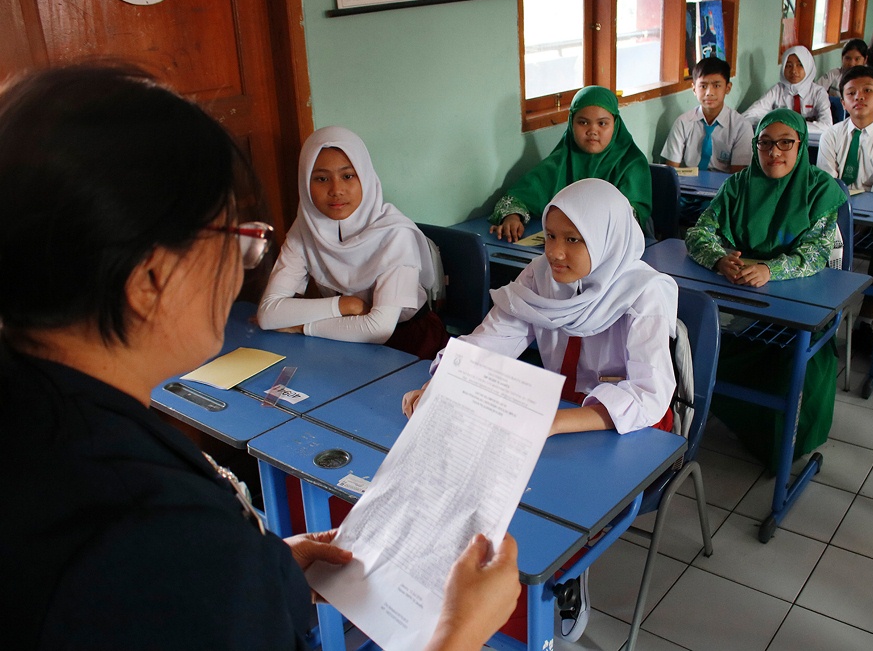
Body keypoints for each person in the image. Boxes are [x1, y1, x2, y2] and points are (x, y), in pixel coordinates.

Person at [0, 64, 520, 651]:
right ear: (149, 278)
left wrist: (267, 571)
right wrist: (457, 634)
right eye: (233, 237)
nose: (245, 261)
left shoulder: (46, 428)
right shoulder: (152, 534)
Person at [405, 179, 678, 642]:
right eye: (550, 236)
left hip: (627, 425)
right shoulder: (540, 278)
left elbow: (650, 395)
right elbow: (491, 340)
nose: (555, 252)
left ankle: (567, 576)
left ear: (606, 240)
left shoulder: (645, 291)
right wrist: (443, 380)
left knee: (558, 501)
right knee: (492, 476)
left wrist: (553, 422)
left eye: (574, 240)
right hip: (557, 408)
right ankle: (485, 579)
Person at [686, 109, 846, 469]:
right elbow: (698, 232)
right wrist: (719, 260)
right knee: (691, 339)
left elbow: (815, 254)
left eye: (785, 143)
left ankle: (782, 448)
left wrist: (768, 269)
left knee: (791, 367)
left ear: (801, 145)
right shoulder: (739, 185)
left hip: (797, 304)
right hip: (740, 295)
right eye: (765, 143)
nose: (775, 152)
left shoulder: (820, 190)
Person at [257, 126, 447, 360]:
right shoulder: (305, 229)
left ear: (365, 178)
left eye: (348, 176)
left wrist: (301, 327)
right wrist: (346, 305)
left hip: (409, 346)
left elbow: (379, 328)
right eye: (321, 179)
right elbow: (268, 314)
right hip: (342, 339)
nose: (336, 190)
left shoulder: (395, 234)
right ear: (305, 184)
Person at [816, 65, 873, 348]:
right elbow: (827, 185)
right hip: (834, 215)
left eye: (867, 91)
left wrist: (849, 214)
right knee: (810, 239)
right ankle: (821, 310)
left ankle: (865, 321)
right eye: (851, 93)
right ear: (842, 101)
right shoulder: (831, 135)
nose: (859, 97)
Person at [488, 86, 652, 242]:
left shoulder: (631, 164)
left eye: (602, 123)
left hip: (615, 252)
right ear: (571, 123)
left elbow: (630, 217)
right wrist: (512, 218)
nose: (592, 130)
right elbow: (516, 198)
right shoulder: (559, 162)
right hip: (562, 253)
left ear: (615, 124)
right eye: (583, 122)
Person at [660, 56, 754, 224]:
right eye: (703, 86)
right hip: (686, 192)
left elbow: (736, 178)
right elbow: (670, 171)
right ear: (694, 89)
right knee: (663, 208)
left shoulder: (741, 126)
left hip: (720, 195)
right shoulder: (683, 122)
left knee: (712, 216)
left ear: (728, 88)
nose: (709, 92)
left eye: (717, 85)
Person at [743, 45, 833, 135]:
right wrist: (775, 123)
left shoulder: (818, 93)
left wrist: (790, 126)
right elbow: (748, 116)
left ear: (808, 66)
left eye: (800, 65)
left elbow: (826, 125)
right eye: (789, 65)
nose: (794, 71)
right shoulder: (777, 90)